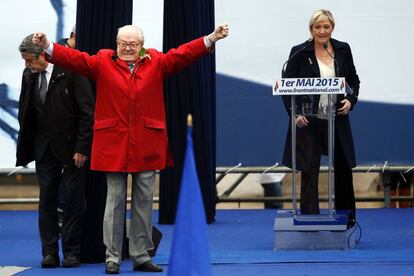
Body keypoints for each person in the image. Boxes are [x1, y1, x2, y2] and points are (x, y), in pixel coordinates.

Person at [32, 23, 229, 274]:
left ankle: (140, 256)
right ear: (116, 44)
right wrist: (48, 45)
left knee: (144, 203)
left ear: (141, 45)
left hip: (147, 142)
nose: (127, 48)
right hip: (113, 144)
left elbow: (182, 55)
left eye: (133, 44)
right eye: (123, 43)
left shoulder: (156, 61)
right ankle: (112, 257)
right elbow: (75, 59)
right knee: (113, 203)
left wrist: (211, 38)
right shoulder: (102, 61)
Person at [16, 34, 94, 268]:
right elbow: (25, 109)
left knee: (72, 201)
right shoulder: (29, 74)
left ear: (44, 56)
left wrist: (82, 147)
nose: (27, 65)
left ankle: (71, 252)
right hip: (44, 148)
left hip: (72, 149)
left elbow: (87, 112)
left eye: (30, 60)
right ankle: (49, 252)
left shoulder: (70, 69)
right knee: (47, 200)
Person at [281, 9, 360, 225]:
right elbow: (287, 87)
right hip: (309, 120)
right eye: (317, 27)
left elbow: (354, 80)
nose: (322, 31)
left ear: (332, 28)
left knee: (343, 169)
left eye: (326, 27)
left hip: (337, 119)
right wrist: (295, 113)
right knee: (309, 171)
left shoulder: (342, 49)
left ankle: (347, 220)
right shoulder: (300, 52)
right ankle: (309, 222)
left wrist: (351, 101)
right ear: (311, 29)